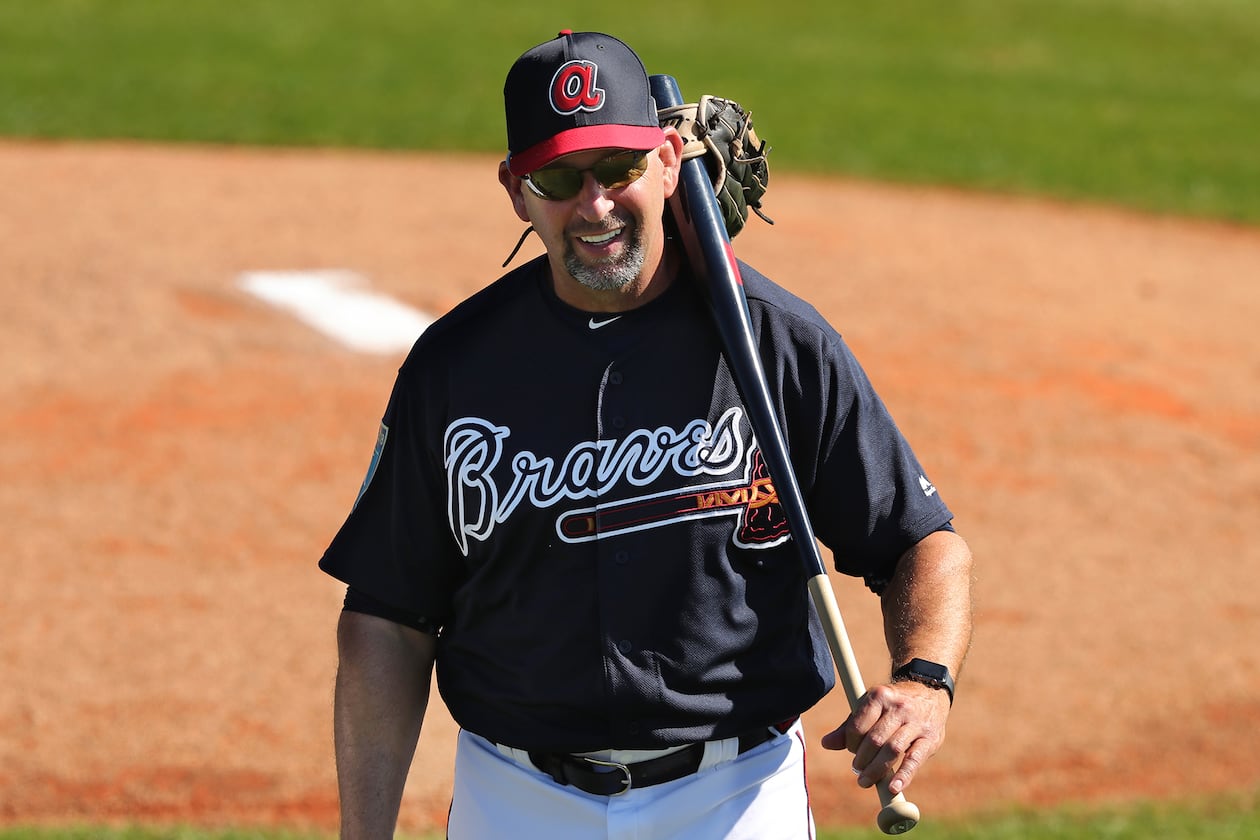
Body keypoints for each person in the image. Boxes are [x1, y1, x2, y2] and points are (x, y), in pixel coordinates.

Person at [320, 29, 973, 840]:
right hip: (516, 799)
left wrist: (923, 682)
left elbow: (920, 542)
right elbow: (388, 617)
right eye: (560, 178)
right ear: (516, 190)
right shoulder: (455, 368)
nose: (594, 204)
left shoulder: (775, 342)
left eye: (619, 168)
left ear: (667, 162)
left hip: (734, 796)